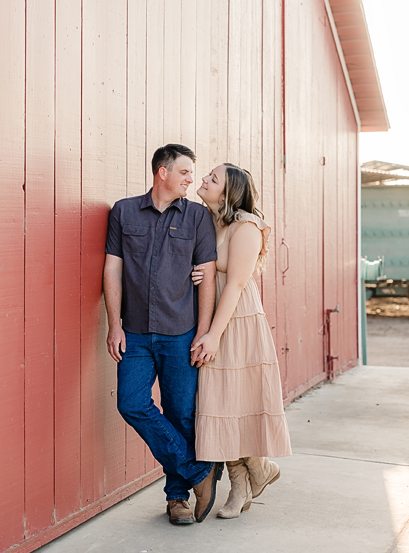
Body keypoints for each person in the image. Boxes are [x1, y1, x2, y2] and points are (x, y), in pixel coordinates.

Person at [103, 143, 223, 525]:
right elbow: (112, 269)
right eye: (185, 171)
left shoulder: (197, 219)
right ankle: (199, 472)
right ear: (163, 172)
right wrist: (113, 324)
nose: (192, 178)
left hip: (180, 333)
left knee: (181, 415)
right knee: (131, 403)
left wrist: (204, 332)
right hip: (134, 333)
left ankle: (177, 499)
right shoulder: (123, 212)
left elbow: (206, 279)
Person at [191, 163, 292, 519]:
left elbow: (234, 284)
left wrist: (214, 335)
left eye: (212, 178)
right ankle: (254, 472)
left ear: (229, 192)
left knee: (235, 397)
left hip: (235, 319)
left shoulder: (246, 225)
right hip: (209, 314)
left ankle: (242, 484)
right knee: (218, 400)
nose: (203, 179)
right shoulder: (206, 220)